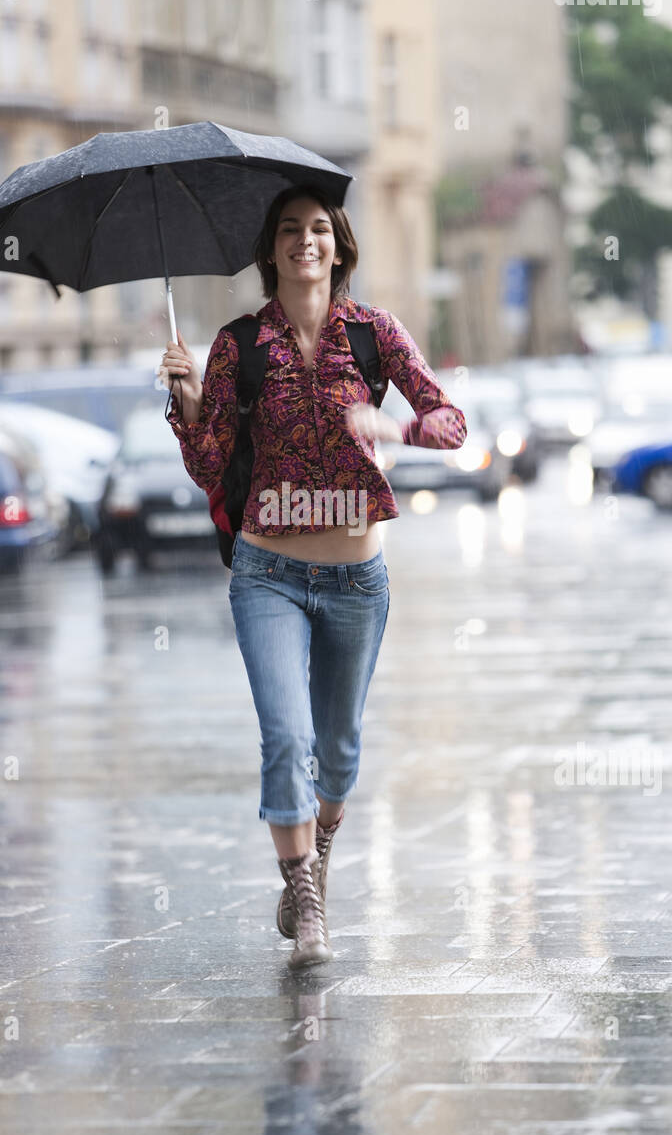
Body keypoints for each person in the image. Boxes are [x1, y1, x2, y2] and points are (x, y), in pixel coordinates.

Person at [159, 183, 467, 968]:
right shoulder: (239, 345)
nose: (306, 241)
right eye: (290, 230)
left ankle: (316, 855)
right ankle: (304, 893)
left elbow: (452, 421)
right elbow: (210, 467)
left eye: (319, 228)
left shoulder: (373, 333)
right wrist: (190, 404)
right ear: (270, 251)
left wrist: (394, 423)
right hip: (267, 571)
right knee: (285, 737)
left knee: (337, 750)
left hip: (357, 581)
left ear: (339, 244)